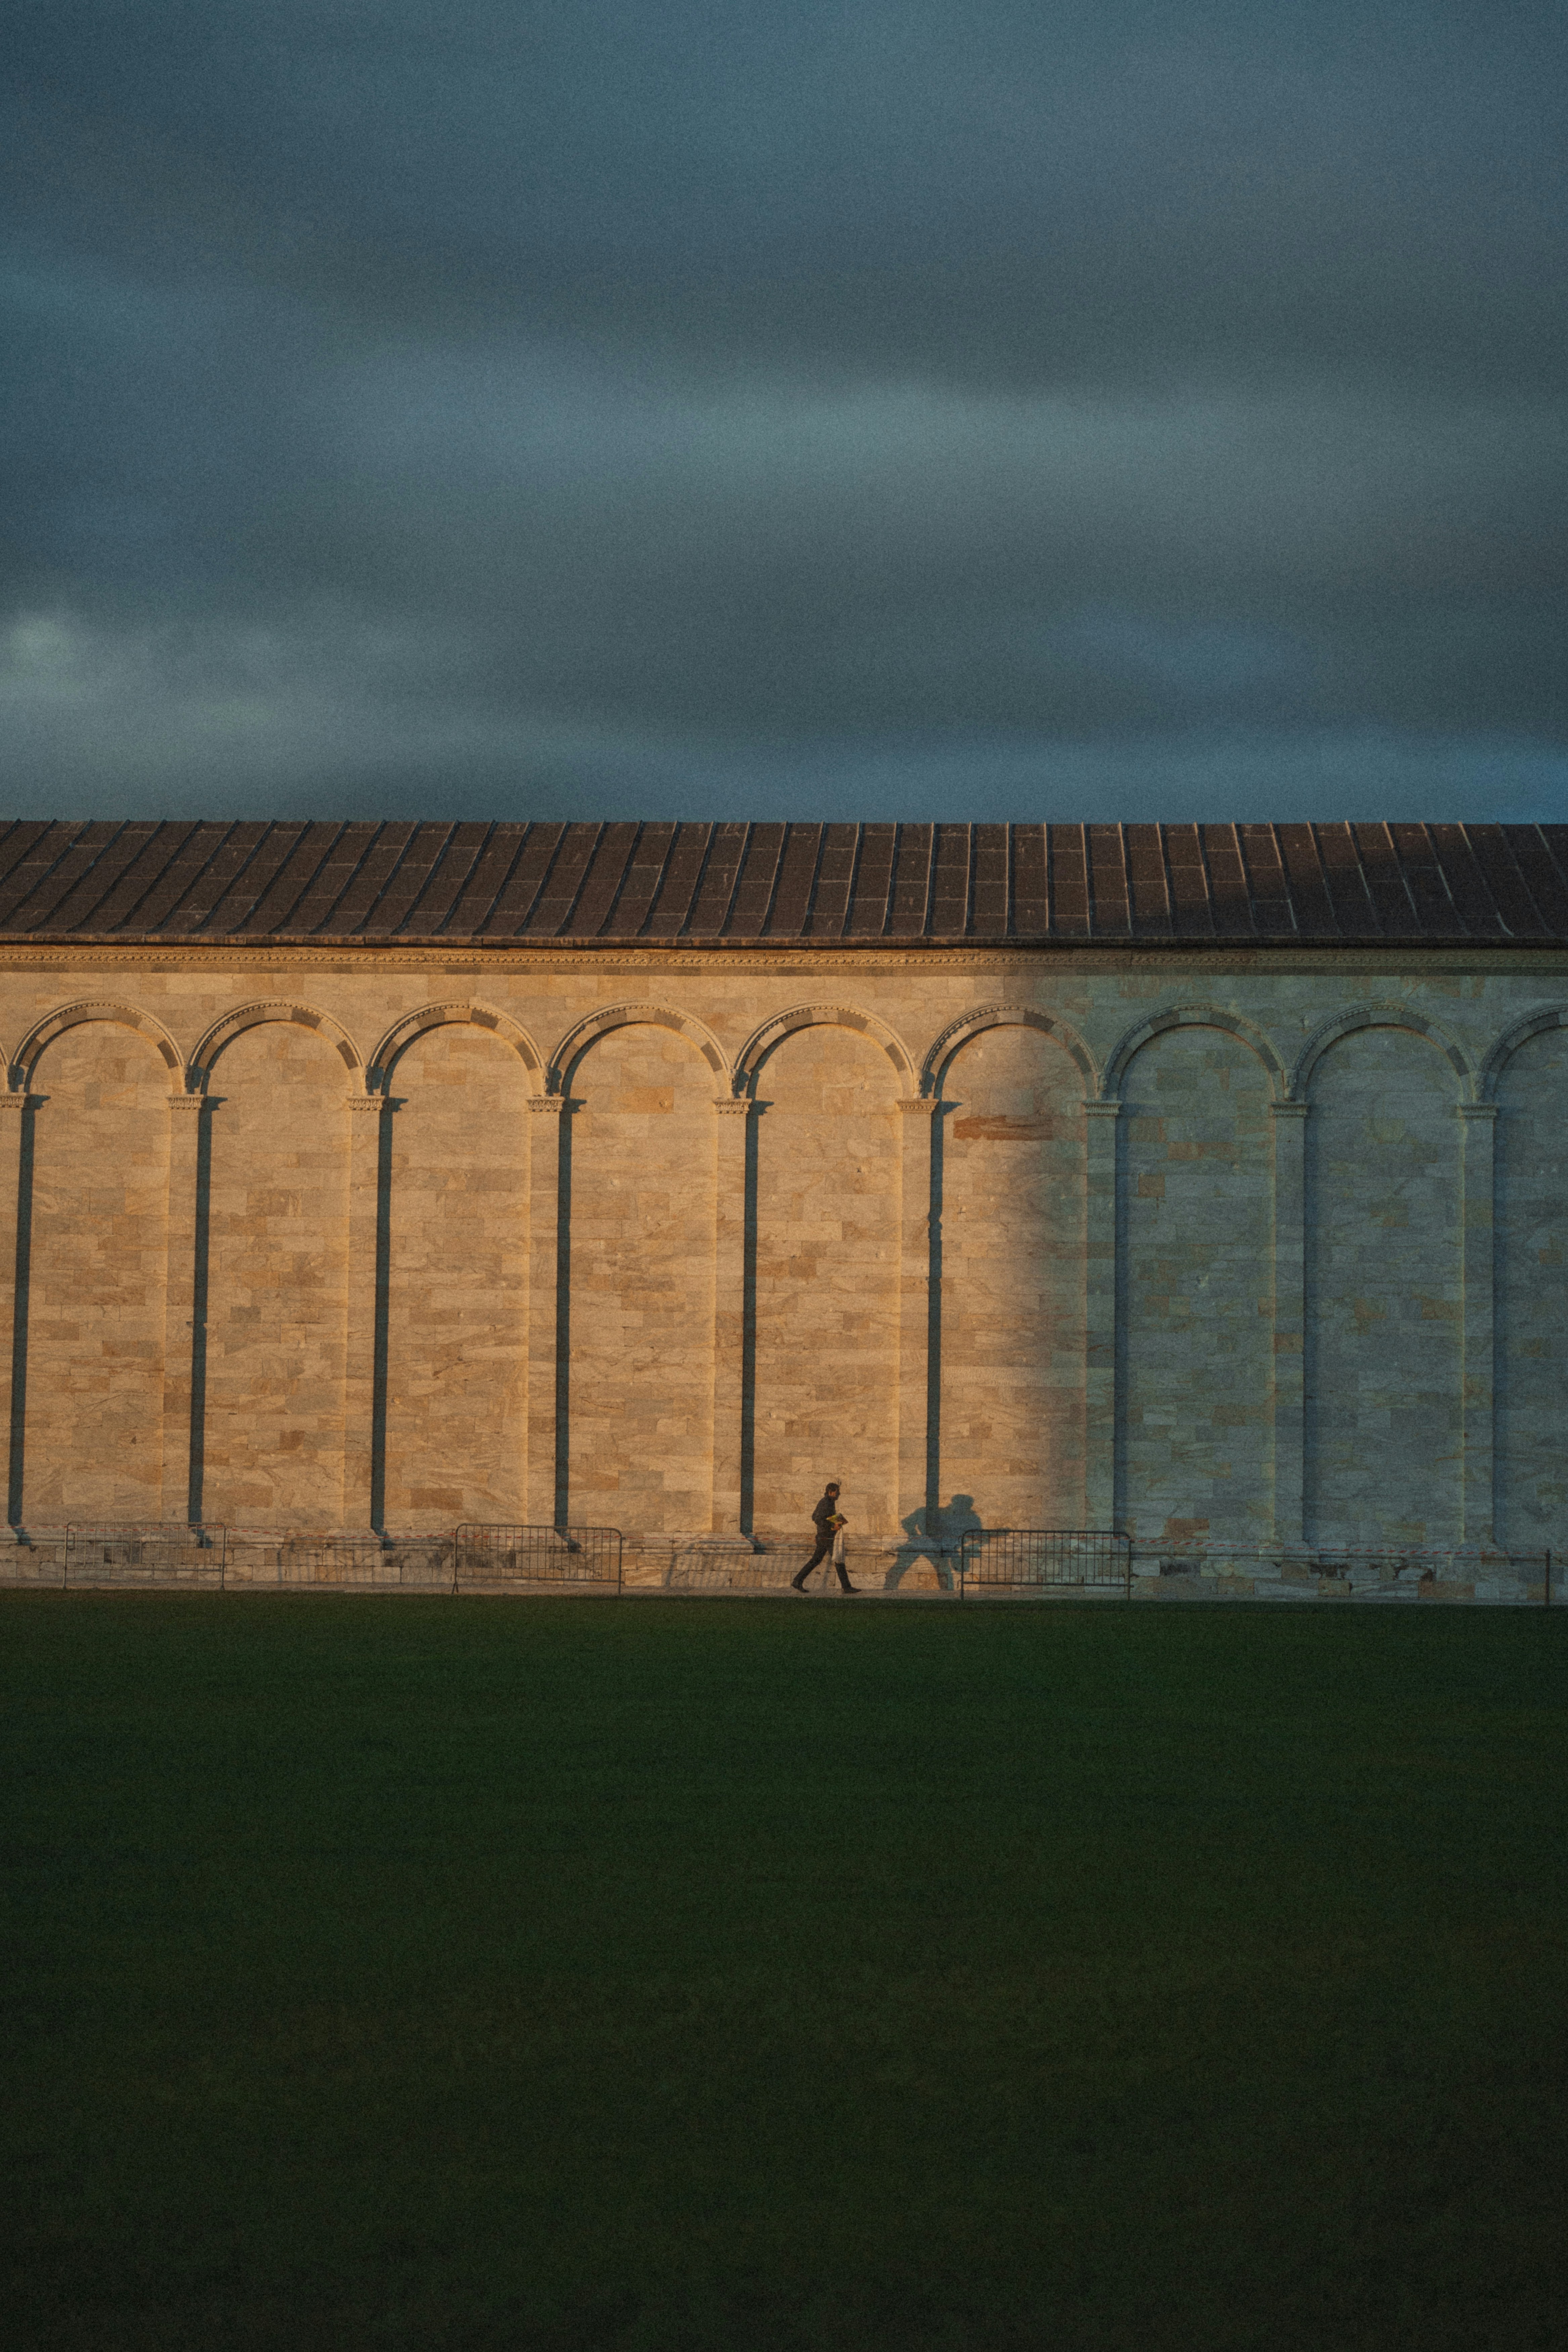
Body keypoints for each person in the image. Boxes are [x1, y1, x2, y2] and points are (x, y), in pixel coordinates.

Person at [791, 1481, 858, 1593]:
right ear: (831, 1492)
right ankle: (847, 1587)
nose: (839, 1494)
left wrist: (835, 1521)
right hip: (827, 1537)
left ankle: (797, 1581)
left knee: (816, 1560)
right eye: (838, 1492)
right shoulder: (827, 1503)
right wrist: (833, 1525)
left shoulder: (827, 1502)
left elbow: (815, 1516)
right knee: (838, 1559)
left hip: (824, 1536)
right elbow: (817, 1519)